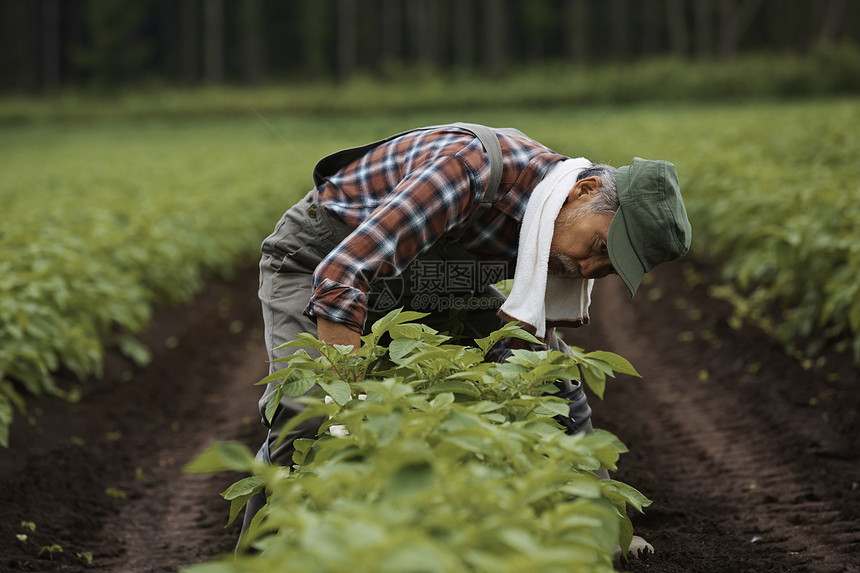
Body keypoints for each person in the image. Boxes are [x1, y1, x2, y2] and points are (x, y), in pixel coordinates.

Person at [242, 122, 692, 538]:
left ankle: (601, 529)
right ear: (584, 191)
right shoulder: (469, 169)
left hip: (433, 271)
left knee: (548, 380)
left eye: (608, 269)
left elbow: (530, 347)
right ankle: (270, 550)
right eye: (599, 247)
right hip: (324, 255)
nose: (589, 268)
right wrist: (346, 401)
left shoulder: (552, 220)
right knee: (307, 409)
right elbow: (343, 273)